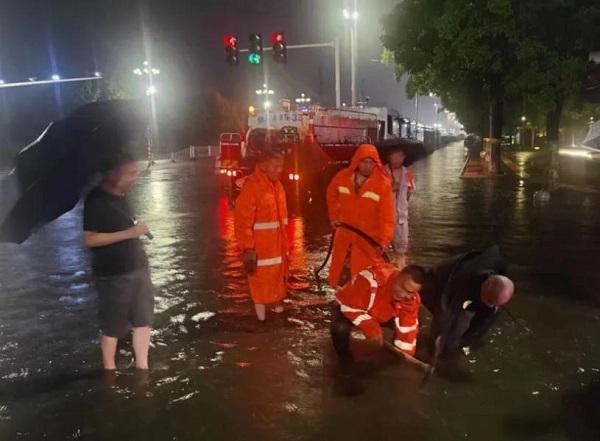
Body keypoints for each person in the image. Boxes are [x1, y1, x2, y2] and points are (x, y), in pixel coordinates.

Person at [83, 156, 154, 371]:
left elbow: (128, 225)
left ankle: (143, 367)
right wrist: (130, 232)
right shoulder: (96, 200)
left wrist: (136, 230)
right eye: (130, 174)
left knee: (143, 319)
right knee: (112, 327)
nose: (134, 178)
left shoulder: (123, 196)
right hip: (112, 274)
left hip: (138, 267)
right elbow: (89, 239)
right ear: (114, 173)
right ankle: (110, 371)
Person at [420, 245, 514, 361]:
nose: (491, 306)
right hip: (441, 282)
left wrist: (469, 339)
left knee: (483, 318)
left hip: (474, 285)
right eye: (489, 301)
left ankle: (458, 345)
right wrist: (439, 341)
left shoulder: (498, 264)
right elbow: (447, 312)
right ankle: (435, 351)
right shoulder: (462, 281)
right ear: (485, 284)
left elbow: (488, 314)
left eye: (494, 303)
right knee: (449, 325)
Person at [326, 144, 395, 288]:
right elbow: (332, 195)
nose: (367, 166)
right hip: (345, 234)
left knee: (363, 277)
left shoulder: (382, 184)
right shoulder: (342, 177)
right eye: (364, 162)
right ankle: (340, 298)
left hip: (368, 240)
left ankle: (357, 302)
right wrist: (335, 217)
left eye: (371, 163)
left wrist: (383, 241)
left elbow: (387, 217)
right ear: (357, 161)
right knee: (340, 275)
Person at [330, 263, 426, 365]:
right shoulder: (369, 278)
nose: (403, 295)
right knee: (339, 328)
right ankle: (345, 361)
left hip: (383, 315)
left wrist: (404, 355)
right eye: (402, 287)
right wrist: (373, 330)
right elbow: (350, 306)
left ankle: (390, 357)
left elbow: (408, 329)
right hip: (351, 307)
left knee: (418, 320)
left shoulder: (412, 299)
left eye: (410, 292)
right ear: (398, 275)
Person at [234, 150, 288, 322]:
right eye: (276, 166)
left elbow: (282, 220)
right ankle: (262, 324)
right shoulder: (252, 186)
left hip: (277, 251)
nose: (279, 170)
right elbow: (242, 222)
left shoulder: (278, 186)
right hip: (260, 251)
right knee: (259, 288)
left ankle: (278, 322)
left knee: (278, 285)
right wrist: (248, 248)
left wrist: (285, 248)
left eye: (281, 166)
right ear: (264, 166)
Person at [384, 146, 415, 269]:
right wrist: (391, 189)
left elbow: (409, 192)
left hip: (401, 218)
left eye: (400, 156)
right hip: (384, 219)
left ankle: (400, 272)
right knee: (381, 250)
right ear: (389, 157)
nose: (397, 159)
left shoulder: (408, 173)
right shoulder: (381, 172)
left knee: (401, 251)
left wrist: (403, 206)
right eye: (394, 156)